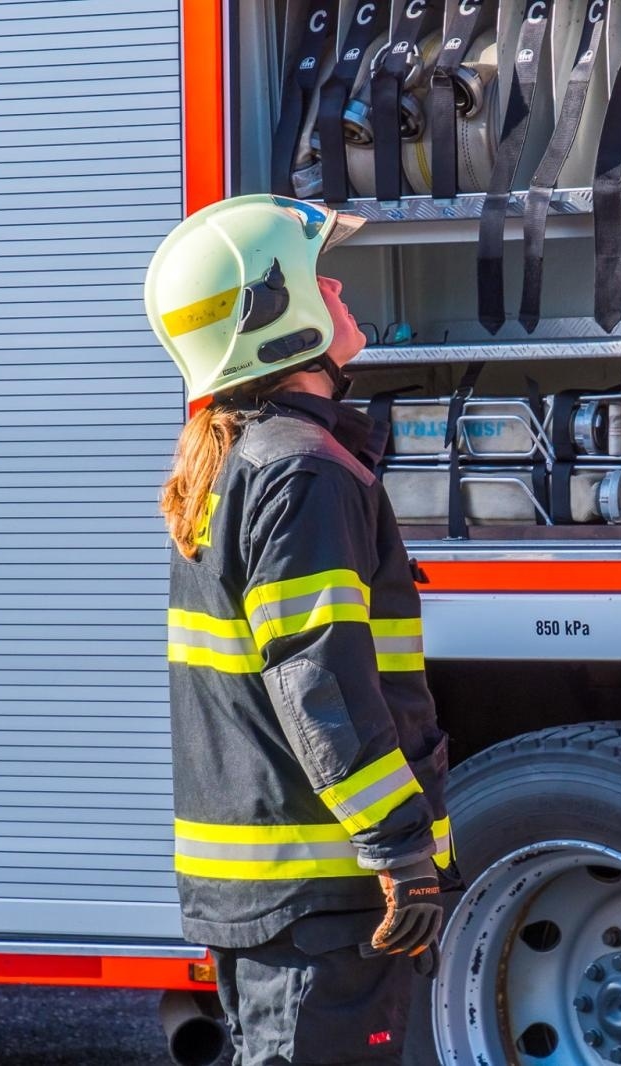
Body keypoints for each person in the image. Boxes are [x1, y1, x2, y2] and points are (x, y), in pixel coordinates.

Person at [144, 194, 455, 1065]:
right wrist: (400, 850)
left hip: (282, 896)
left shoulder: (244, 460)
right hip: (322, 897)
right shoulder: (303, 473)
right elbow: (319, 681)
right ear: (274, 315)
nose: (340, 285)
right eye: (318, 274)